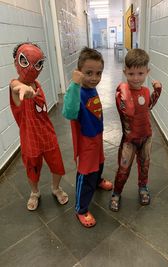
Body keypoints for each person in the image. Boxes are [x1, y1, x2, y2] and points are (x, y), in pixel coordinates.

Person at [10, 42, 68, 211]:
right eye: (24, 61)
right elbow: (15, 86)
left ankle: (56, 188)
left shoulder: (38, 85)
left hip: (47, 134)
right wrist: (22, 88)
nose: (31, 68)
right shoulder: (15, 85)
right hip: (30, 139)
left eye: (38, 63)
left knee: (57, 165)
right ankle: (34, 193)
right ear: (16, 63)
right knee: (32, 169)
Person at [62, 47, 112, 228]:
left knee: (99, 163)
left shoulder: (91, 88)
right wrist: (75, 85)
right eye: (88, 73)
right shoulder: (76, 91)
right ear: (79, 72)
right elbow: (68, 112)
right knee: (86, 173)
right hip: (85, 141)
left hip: (96, 136)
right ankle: (81, 209)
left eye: (98, 73)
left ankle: (98, 180)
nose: (94, 78)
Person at [109, 48, 162, 211]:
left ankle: (143, 187)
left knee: (145, 165)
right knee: (124, 169)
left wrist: (157, 91)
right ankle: (116, 193)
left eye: (140, 73)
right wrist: (124, 91)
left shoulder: (145, 91)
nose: (136, 78)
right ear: (125, 72)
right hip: (130, 140)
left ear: (147, 72)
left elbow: (149, 106)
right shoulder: (121, 94)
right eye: (131, 74)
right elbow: (128, 112)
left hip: (146, 136)